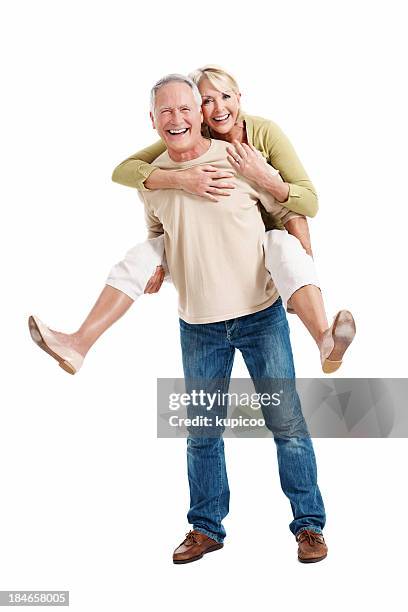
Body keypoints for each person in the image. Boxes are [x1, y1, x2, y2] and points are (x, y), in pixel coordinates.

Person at [28, 65, 355, 376]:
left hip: (256, 256)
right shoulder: (155, 172)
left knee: (283, 243)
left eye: (223, 98)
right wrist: (180, 184)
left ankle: (323, 335)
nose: (216, 109)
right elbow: (148, 213)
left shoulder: (247, 152)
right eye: (207, 100)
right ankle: (78, 343)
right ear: (154, 120)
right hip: (194, 285)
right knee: (142, 256)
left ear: (236, 99)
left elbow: (300, 207)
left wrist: (305, 271)